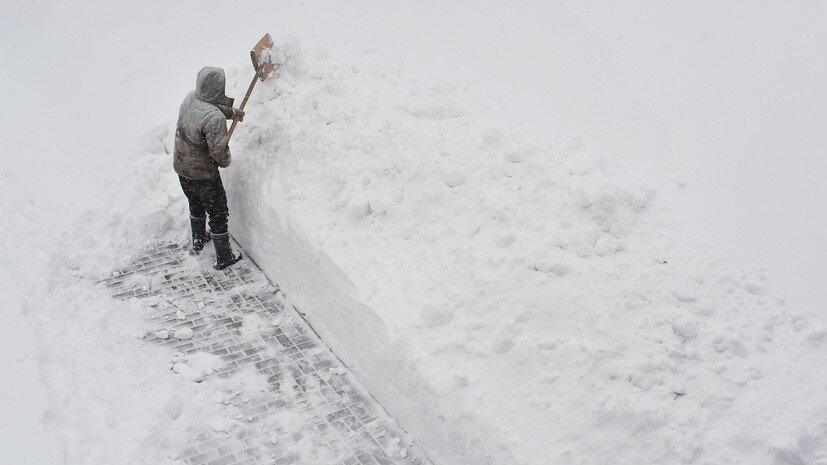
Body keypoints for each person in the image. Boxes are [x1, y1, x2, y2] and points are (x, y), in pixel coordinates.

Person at [174, 66, 244, 270]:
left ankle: (198, 238)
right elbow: (220, 154)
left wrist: (232, 113)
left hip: (182, 169)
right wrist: (226, 159)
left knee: (195, 202)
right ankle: (224, 257)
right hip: (203, 175)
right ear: (217, 88)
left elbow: (207, 109)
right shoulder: (214, 119)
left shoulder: (190, 99)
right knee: (218, 212)